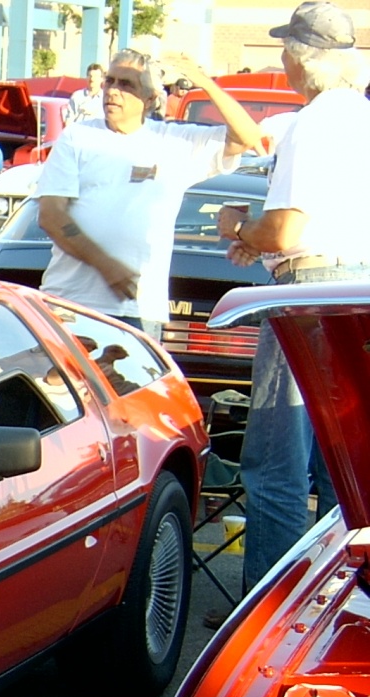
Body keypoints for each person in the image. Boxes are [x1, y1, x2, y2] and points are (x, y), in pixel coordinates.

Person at [215, 0, 370, 594]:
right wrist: (267, 243)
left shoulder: (314, 121)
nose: (282, 59)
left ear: (303, 58)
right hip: (354, 286)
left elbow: (286, 231)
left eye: (286, 48)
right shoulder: (359, 116)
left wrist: (238, 228)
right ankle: (343, 598)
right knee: (342, 464)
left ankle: (268, 603)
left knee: (275, 464)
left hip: (312, 292)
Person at [34, 49, 262, 336]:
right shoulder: (77, 137)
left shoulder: (174, 141)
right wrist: (107, 266)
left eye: (127, 84)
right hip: (70, 304)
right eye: (110, 81)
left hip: (139, 311)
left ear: (151, 99)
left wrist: (204, 81)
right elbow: (51, 216)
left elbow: (248, 137)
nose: (113, 91)